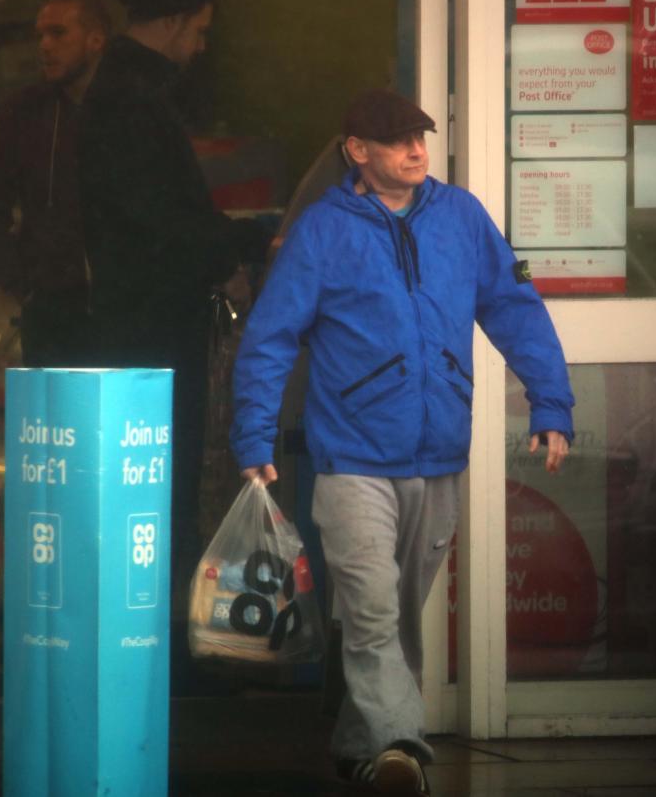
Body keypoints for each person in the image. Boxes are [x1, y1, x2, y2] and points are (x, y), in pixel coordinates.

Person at [230, 89, 575, 796]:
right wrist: (253, 433)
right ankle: (397, 748)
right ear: (358, 151)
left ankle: (363, 745)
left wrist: (551, 402)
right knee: (373, 603)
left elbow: (514, 308)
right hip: (351, 457)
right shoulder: (322, 230)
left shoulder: (462, 217)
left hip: (440, 452)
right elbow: (270, 337)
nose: (418, 150)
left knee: (396, 610)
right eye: (398, 141)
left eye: (422, 137)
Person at [77, 0, 271, 680]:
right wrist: (230, 251)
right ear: (170, 23)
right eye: (199, 31)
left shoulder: (124, 93)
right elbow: (160, 216)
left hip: (142, 318)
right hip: (152, 326)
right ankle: (157, 647)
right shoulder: (134, 101)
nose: (201, 47)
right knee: (162, 482)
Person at [0, 0, 110, 366]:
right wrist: (20, 281)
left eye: (58, 33)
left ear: (95, 39)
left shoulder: (123, 110)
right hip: (49, 296)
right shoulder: (26, 112)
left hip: (117, 298)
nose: (44, 46)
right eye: (40, 35)